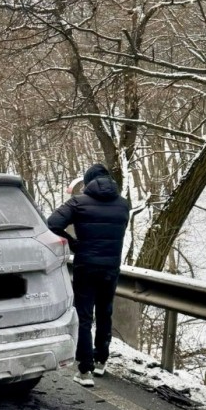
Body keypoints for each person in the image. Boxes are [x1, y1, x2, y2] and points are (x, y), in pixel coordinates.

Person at [47, 163, 130, 387]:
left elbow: (52, 223)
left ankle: (85, 371)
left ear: (88, 181)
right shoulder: (123, 204)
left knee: (84, 317)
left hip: (86, 266)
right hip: (111, 267)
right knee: (105, 312)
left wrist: (74, 244)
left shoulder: (78, 202)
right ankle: (101, 359)